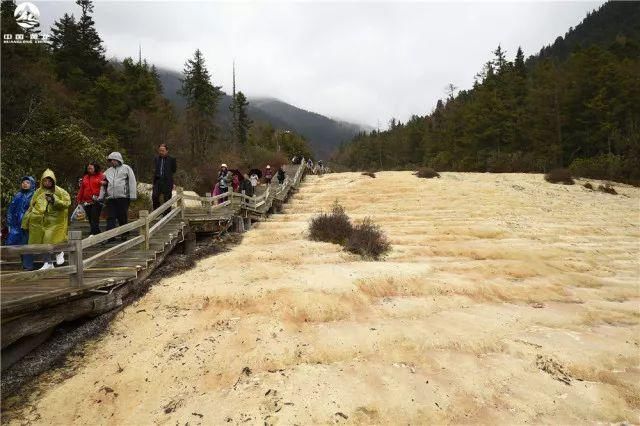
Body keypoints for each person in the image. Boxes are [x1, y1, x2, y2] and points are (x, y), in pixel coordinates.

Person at [21, 169, 71, 270]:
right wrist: (26, 221)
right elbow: (31, 206)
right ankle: (48, 262)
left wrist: (54, 200)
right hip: (40, 221)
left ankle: (59, 252)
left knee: (52, 239)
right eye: (45, 181)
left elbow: (67, 203)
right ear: (42, 181)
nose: (47, 183)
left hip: (55, 221)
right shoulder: (38, 192)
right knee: (42, 242)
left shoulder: (60, 191)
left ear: (53, 181)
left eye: (49, 181)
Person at [99, 152, 137, 236]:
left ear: (118, 160)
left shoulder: (126, 168)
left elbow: (132, 181)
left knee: (122, 216)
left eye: (113, 160)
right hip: (111, 198)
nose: (111, 162)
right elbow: (103, 184)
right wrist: (100, 196)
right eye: (110, 160)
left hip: (123, 197)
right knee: (110, 217)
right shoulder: (108, 171)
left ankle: (125, 234)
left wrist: (133, 195)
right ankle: (110, 236)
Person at [6, 176, 36, 270]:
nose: (25, 184)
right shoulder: (18, 195)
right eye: (23, 182)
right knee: (18, 243)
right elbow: (11, 209)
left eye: (27, 182)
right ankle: (24, 264)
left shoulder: (34, 195)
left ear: (32, 184)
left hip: (28, 224)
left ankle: (28, 266)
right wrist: (10, 223)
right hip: (16, 225)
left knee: (27, 243)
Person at [76, 162, 104, 235]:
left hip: (97, 200)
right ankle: (97, 233)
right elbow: (82, 189)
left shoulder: (101, 176)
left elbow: (104, 187)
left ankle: (93, 233)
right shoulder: (85, 177)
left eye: (91, 168)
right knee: (90, 218)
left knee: (94, 217)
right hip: (86, 201)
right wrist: (79, 199)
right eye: (88, 168)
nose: (89, 170)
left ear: (95, 168)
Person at [152, 143, 177, 213]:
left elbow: (174, 170)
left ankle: (166, 215)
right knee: (154, 196)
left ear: (167, 151)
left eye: (163, 150)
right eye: (160, 150)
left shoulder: (172, 159)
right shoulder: (156, 159)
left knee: (167, 199)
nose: (161, 152)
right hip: (158, 180)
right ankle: (157, 213)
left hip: (167, 181)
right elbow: (155, 169)